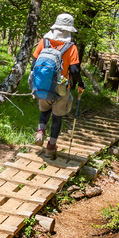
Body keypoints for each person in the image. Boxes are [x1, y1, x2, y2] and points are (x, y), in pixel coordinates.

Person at [31, 13, 84, 157]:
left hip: (43, 85)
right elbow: (74, 70)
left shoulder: (44, 41)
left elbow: (34, 63)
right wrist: (80, 83)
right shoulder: (71, 47)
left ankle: (40, 132)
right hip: (61, 88)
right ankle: (50, 148)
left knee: (45, 110)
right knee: (57, 117)